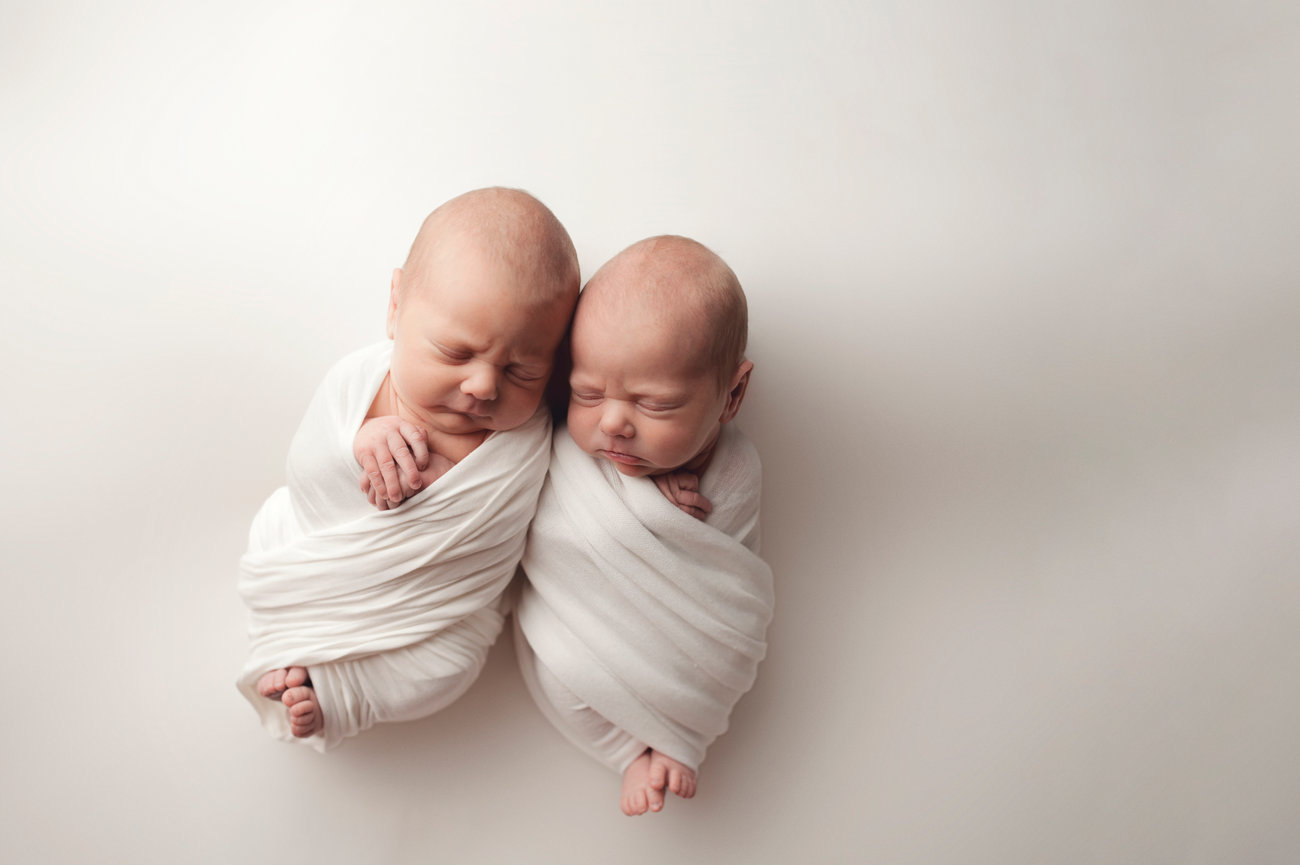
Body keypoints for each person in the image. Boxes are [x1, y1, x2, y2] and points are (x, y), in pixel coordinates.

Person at [236, 187, 580, 750]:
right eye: (455, 353)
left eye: (522, 371)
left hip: (430, 615)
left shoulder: (528, 438)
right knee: (270, 528)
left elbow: (547, 515)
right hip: (315, 563)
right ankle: (289, 640)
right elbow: (305, 472)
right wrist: (355, 446)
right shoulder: (359, 382)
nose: (483, 386)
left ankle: (339, 695)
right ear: (396, 306)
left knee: (445, 670)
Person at [512, 235, 775, 815]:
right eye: (585, 393)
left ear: (733, 393)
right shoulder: (565, 448)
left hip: (686, 636)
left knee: (722, 670)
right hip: (583, 624)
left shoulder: (736, 469)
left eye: (654, 405)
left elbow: (722, 573)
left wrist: (665, 518)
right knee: (569, 676)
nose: (612, 424)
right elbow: (554, 526)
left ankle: (682, 734)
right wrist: (642, 495)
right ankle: (628, 752)